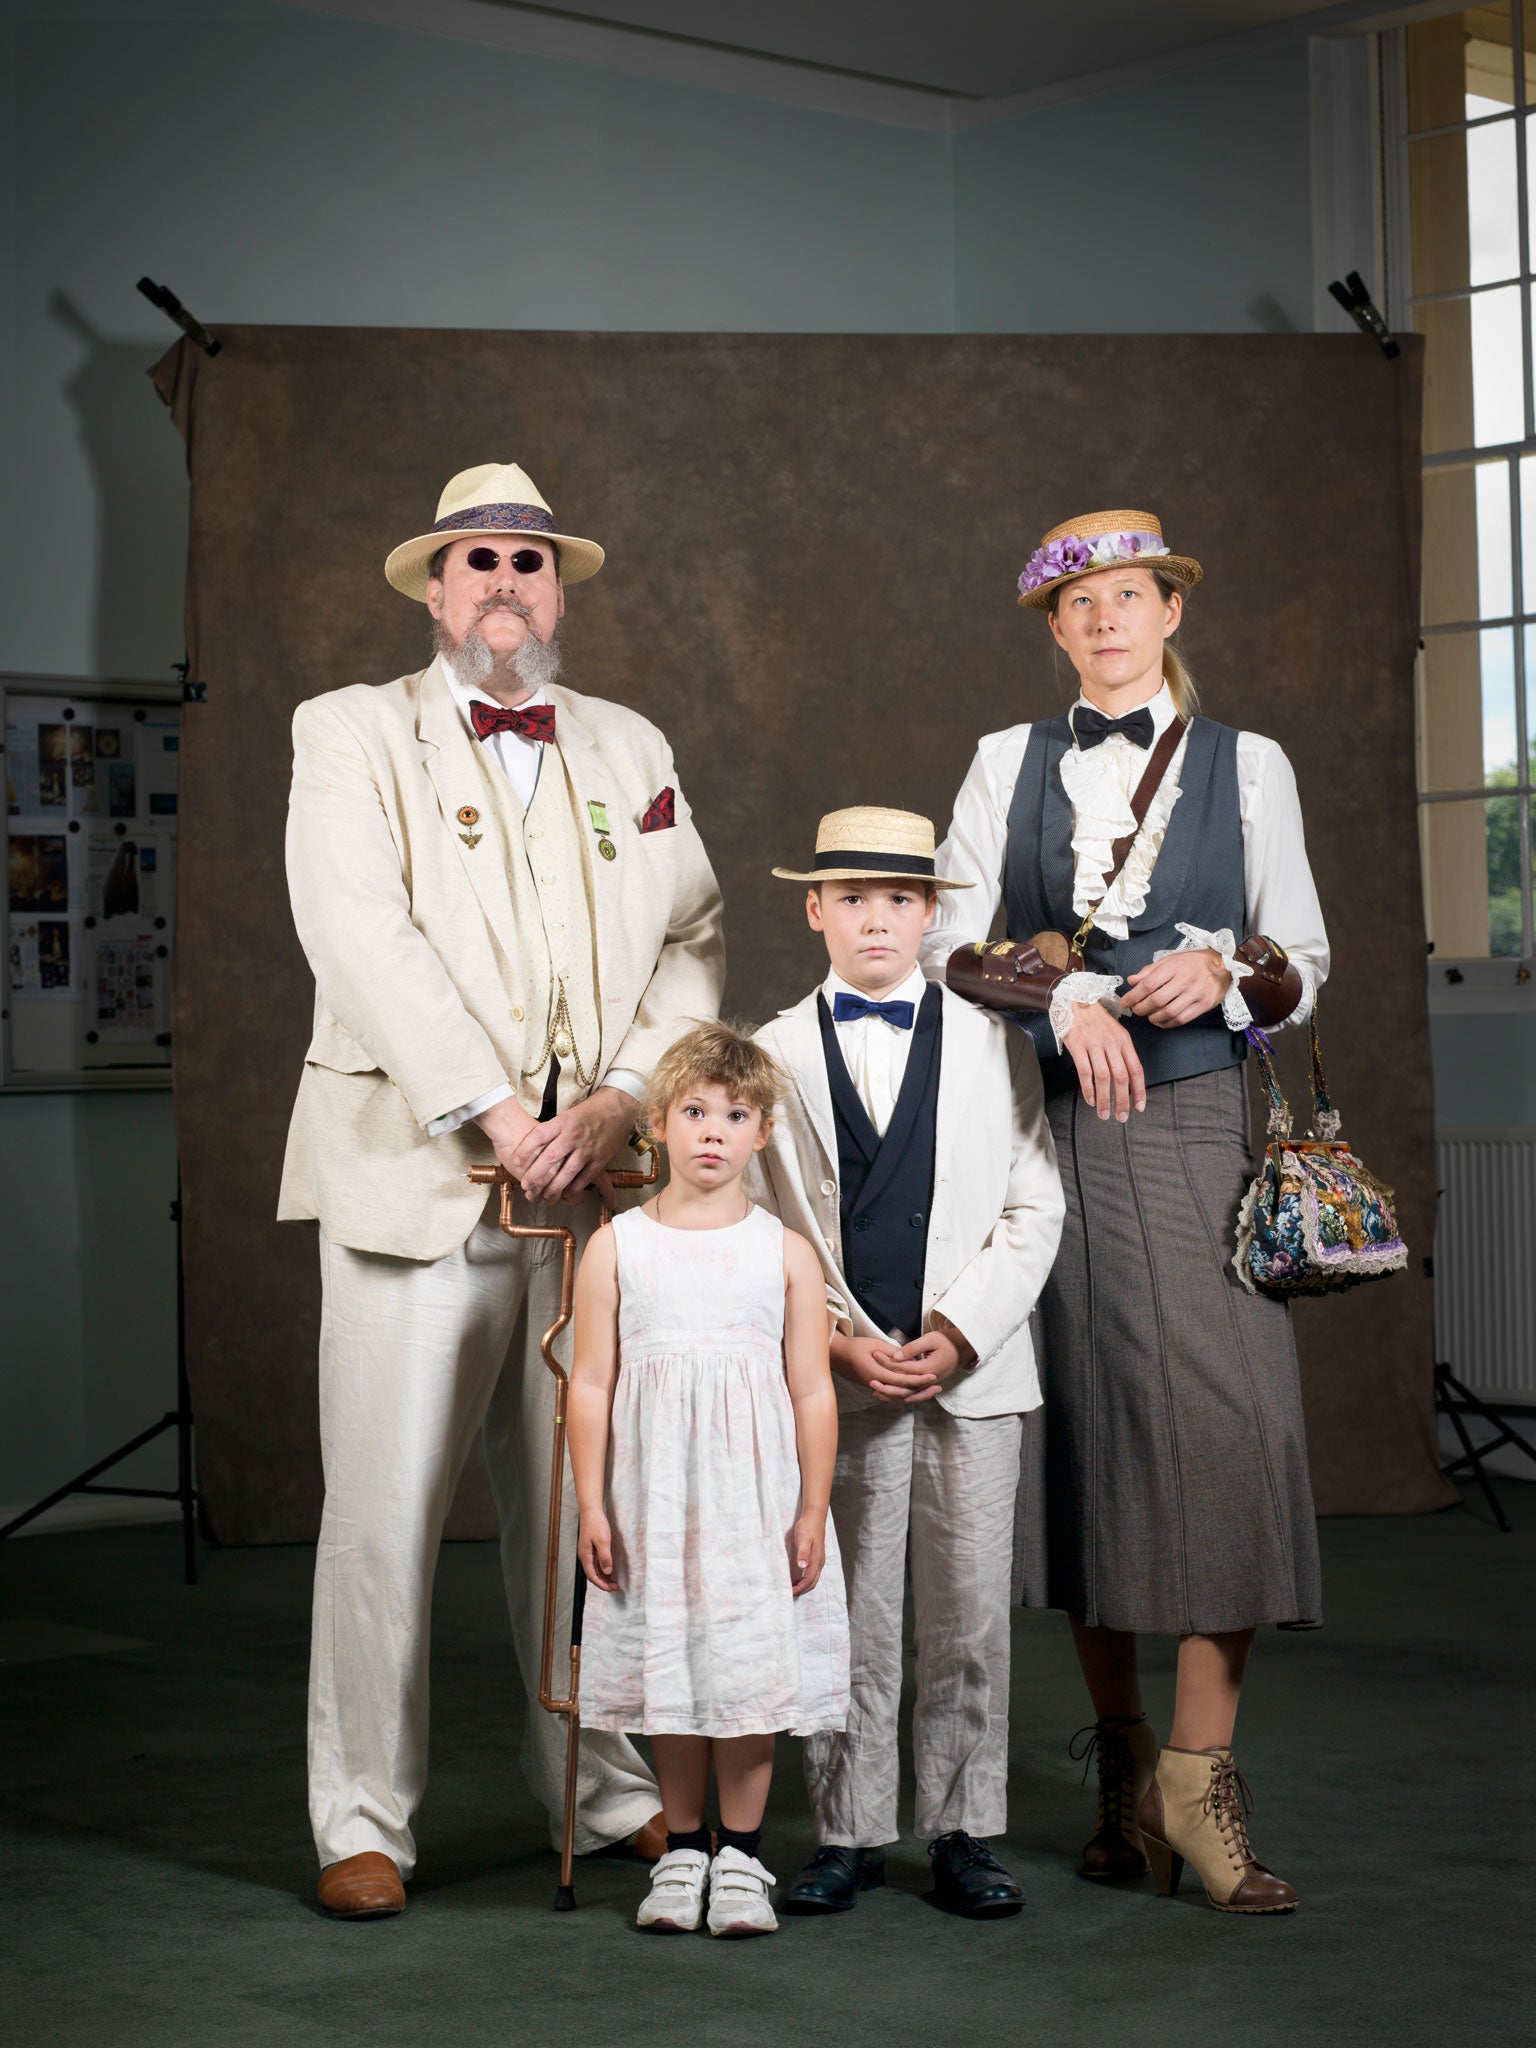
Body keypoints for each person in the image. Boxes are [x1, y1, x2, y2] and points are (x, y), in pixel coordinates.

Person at [280, 461, 725, 1917]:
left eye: (529, 563)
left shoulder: (628, 742)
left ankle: (600, 1796)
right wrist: (490, 1110)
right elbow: (357, 933)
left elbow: (695, 934)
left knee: (585, 1505)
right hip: (419, 1180)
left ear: (560, 587)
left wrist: (614, 1105)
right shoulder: (351, 733)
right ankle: (361, 1821)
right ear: (431, 585)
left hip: (592, 1190)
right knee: (383, 1516)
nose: (504, 584)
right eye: (475, 560)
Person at [926, 510, 1329, 1914]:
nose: (1106, 619)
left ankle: (1197, 1779)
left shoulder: (1250, 764)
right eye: (1079, 603)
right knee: (1090, 1435)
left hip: (1207, 1123)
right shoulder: (1003, 763)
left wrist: (1225, 970)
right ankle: (1119, 1783)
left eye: (1130, 595)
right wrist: (1077, 998)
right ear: (1054, 628)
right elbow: (946, 944)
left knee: (1233, 1429)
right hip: (1054, 1138)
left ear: (1170, 612)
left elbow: (1305, 961)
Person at [750, 808, 1065, 1919]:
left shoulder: (993, 1043)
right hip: (841, 1375)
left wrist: (967, 1325)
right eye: (850, 897)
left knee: (970, 1610)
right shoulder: (772, 1055)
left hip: (972, 1374)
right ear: (813, 909)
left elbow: (1036, 1202)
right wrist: (831, 1338)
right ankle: (844, 1827)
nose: (874, 918)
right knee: (847, 1610)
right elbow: (757, 1228)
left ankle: (965, 1826)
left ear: (931, 913)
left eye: (897, 899)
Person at [569, 1021, 848, 1937]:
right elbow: (594, 1383)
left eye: (735, 1114)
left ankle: (742, 1857)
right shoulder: (617, 1248)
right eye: (694, 1111)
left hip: (752, 1507)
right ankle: (682, 1849)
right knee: (671, 1673)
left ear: (762, 1130)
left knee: (745, 1674)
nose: (714, 1131)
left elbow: (811, 1388)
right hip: (652, 1503)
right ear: (656, 1123)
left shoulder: (785, 1253)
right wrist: (590, 1505)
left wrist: (811, 1508)